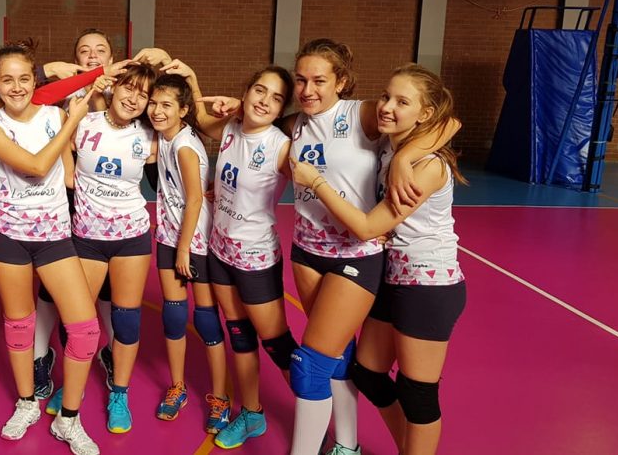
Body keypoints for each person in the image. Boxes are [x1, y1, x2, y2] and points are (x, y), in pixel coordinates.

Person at [282, 39, 458, 455]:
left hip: (425, 280)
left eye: (319, 80)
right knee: (368, 372)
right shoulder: (387, 147)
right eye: (300, 80)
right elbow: (254, 117)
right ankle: (359, 446)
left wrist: (403, 158)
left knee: (416, 392)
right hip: (385, 270)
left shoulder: (419, 160)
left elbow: (449, 122)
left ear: (341, 81)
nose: (387, 107)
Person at [0, 40, 101, 455]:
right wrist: (73, 120)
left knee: (85, 330)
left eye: (24, 78)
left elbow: (66, 173)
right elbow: (35, 165)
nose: (16, 87)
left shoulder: (54, 115)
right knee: (19, 323)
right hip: (7, 236)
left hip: (53, 237)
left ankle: (69, 418)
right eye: (7, 80)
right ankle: (27, 402)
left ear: (35, 81)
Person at [179, 60, 298, 448]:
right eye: (260, 90)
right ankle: (252, 413)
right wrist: (193, 79)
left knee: (277, 344)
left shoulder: (281, 146)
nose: (264, 101)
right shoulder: (231, 128)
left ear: (281, 110)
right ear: (246, 92)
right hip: (220, 251)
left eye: (276, 98)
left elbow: (318, 181)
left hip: (255, 259)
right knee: (240, 336)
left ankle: (316, 417)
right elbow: (199, 118)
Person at [45, 63, 159, 435]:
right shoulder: (83, 121)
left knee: (126, 320)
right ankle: (71, 385)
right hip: (87, 237)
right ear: (113, 87)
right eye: (128, 88)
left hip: (131, 237)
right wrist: (90, 83)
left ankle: (120, 394)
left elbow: (191, 121)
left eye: (143, 94)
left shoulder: (150, 134)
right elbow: (42, 102)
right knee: (76, 321)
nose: (134, 99)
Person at [148, 74, 228, 432]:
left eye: (167, 105)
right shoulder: (164, 139)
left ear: (183, 110)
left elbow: (195, 199)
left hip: (194, 243)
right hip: (169, 235)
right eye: (154, 103)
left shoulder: (183, 145)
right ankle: (177, 387)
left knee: (207, 320)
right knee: (174, 316)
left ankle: (220, 397)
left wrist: (184, 250)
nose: (157, 110)